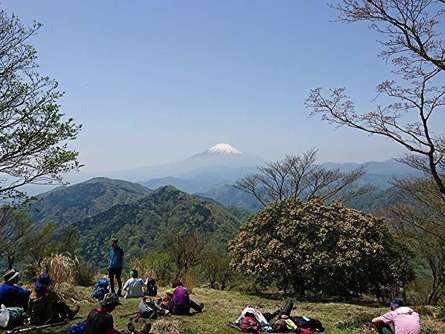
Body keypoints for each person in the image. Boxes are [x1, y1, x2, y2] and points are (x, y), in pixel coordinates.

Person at [84, 292, 150, 334]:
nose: (114, 308)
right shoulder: (107, 317)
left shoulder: (93, 311)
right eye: (114, 305)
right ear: (111, 305)